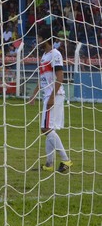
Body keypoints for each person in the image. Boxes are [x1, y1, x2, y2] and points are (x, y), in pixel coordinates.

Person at [27, 32, 72, 173]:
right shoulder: (44, 57)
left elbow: (60, 76)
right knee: (49, 129)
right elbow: (43, 80)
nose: (37, 41)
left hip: (54, 95)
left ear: (45, 39)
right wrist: (33, 95)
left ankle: (66, 160)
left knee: (45, 128)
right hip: (48, 95)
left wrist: (52, 96)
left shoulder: (55, 54)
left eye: (39, 38)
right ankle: (49, 164)